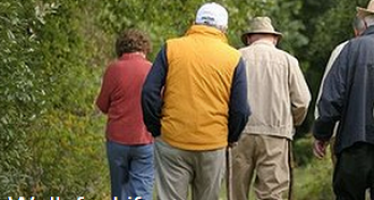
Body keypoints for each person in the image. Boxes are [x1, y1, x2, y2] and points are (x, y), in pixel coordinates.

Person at [141, 2, 250, 200]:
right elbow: (241, 110)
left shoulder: (171, 48)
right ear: (224, 28)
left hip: (172, 140)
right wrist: (231, 137)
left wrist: (156, 128)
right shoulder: (233, 57)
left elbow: (149, 92)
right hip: (213, 143)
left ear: (195, 22)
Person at [233, 16, 311, 200]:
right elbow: (303, 101)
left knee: (236, 192)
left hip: (239, 134)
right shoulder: (288, 61)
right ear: (274, 38)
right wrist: (291, 123)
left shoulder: (236, 57)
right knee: (272, 194)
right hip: (276, 133)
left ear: (249, 38)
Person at [313, 0, 374, 198]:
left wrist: (322, 134)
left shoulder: (350, 49)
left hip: (354, 143)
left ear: (364, 23)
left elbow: (331, 99)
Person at [96, 29, 154, 200]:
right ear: (145, 48)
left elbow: (102, 105)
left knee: (119, 191)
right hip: (145, 138)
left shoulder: (113, 69)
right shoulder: (152, 70)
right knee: (142, 191)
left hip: (117, 140)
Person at [314, 16, 366, 165]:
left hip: (346, 136)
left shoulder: (343, 49)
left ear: (356, 31)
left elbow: (329, 96)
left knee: (348, 186)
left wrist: (322, 134)